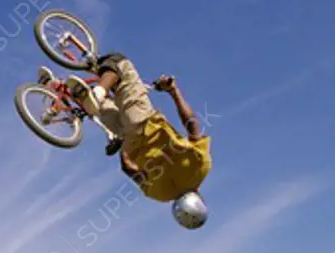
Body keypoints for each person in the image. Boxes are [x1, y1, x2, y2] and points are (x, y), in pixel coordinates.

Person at [37, 54, 212, 209]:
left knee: (120, 65)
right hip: (127, 138)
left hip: (142, 120)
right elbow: (128, 168)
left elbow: (191, 123)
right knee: (92, 107)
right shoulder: (160, 195)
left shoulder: (200, 168)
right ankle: (58, 88)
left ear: (200, 200)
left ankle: (99, 89)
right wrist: (125, 151)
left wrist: (173, 91)